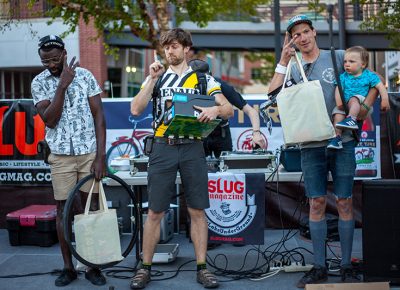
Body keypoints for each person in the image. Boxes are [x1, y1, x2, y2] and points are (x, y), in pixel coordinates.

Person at [268, 15, 379, 288]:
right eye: (297, 35)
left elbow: (372, 81)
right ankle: (318, 266)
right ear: (292, 39)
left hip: (343, 142)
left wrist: (363, 110)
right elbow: (272, 94)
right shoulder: (292, 66)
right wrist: (283, 59)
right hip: (310, 143)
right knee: (316, 203)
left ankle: (345, 266)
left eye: (306, 32)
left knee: (344, 201)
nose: (303, 38)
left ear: (314, 32)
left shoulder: (338, 56)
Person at [129, 28, 233, 289]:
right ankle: (145, 268)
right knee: (155, 211)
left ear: (187, 48)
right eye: (166, 47)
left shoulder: (203, 79)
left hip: (193, 147)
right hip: (162, 147)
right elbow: (135, 108)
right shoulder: (157, 78)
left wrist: (213, 109)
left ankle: (202, 268)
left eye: (174, 46)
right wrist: (151, 80)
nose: (169, 52)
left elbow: (229, 110)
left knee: (197, 210)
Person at [31, 35, 107, 287]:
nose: (50, 65)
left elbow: (99, 117)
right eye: (45, 61)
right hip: (60, 155)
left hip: (88, 153)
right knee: (62, 212)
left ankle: (91, 265)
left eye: (54, 59)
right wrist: (62, 85)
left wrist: (101, 157)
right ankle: (68, 267)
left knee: (90, 210)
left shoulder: (85, 76)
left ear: (64, 53)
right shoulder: (39, 82)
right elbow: (50, 119)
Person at [188, 58, 267, 158]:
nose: (201, 84)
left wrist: (256, 134)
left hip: (221, 134)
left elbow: (251, 111)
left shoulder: (221, 86)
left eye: (204, 80)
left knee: (225, 169)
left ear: (210, 76)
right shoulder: (183, 87)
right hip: (197, 134)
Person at [327, 46, 390, 149]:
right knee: (337, 115)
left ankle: (351, 119)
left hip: (360, 100)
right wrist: (339, 103)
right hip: (345, 103)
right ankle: (337, 138)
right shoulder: (343, 76)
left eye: (351, 61)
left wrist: (385, 100)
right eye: (345, 61)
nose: (347, 64)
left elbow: (380, 86)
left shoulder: (368, 75)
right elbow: (338, 88)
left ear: (363, 64)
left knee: (354, 99)